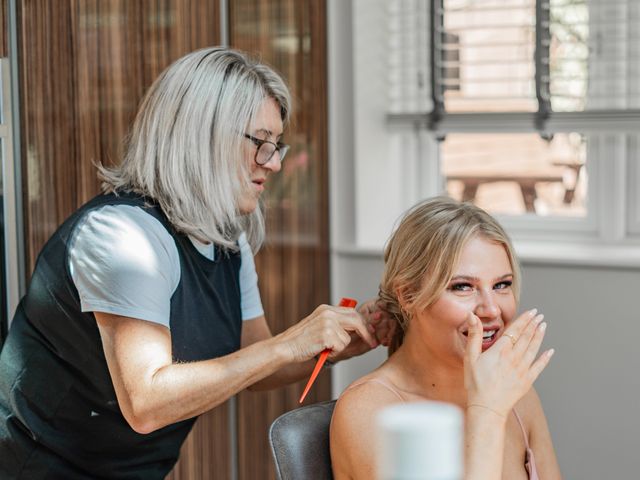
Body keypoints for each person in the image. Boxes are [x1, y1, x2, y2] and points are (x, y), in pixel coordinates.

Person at [0, 47, 383, 479]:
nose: (274, 163)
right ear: (203, 135)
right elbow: (146, 403)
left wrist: (335, 348)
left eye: (277, 146)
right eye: (261, 143)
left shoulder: (226, 240)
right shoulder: (122, 238)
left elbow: (254, 359)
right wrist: (288, 344)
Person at [330, 197, 562, 480]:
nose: (491, 309)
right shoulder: (369, 412)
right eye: (463, 287)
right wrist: (487, 413)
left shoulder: (516, 394)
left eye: (502, 284)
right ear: (408, 296)